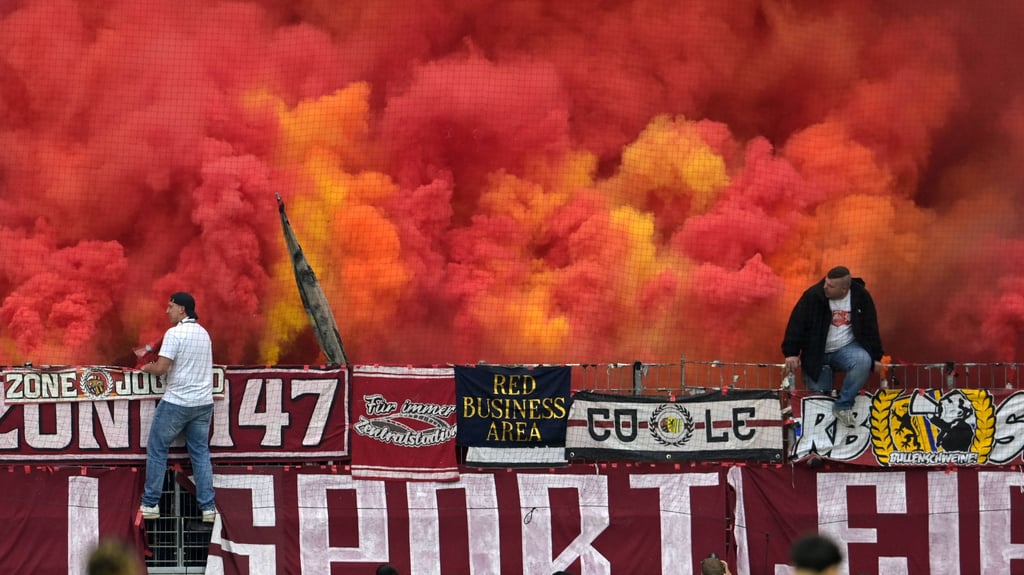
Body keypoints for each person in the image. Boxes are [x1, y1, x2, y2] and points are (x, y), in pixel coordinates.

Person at [139, 292, 217, 523]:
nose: (167, 310)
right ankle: (208, 507)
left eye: (170, 306)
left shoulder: (174, 334)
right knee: (200, 454)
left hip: (177, 402)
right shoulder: (204, 334)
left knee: (157, 448)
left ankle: (151, 503)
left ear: (182, 309)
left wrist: (146, 367)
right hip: (203, 404)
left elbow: (162, 368)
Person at [782, 266, 883, 428]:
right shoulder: (813, 296)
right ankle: (819, 447)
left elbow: (871, 327)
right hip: (816, 353)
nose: (825, 287)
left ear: (844, 288)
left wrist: (876, 356)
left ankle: (843, 406)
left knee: (863, 360)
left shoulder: (860, 296)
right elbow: (796, 324)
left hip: (846, 349)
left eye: (830, 286)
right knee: (819, 401)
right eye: (825, 283)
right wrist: (791, 352)